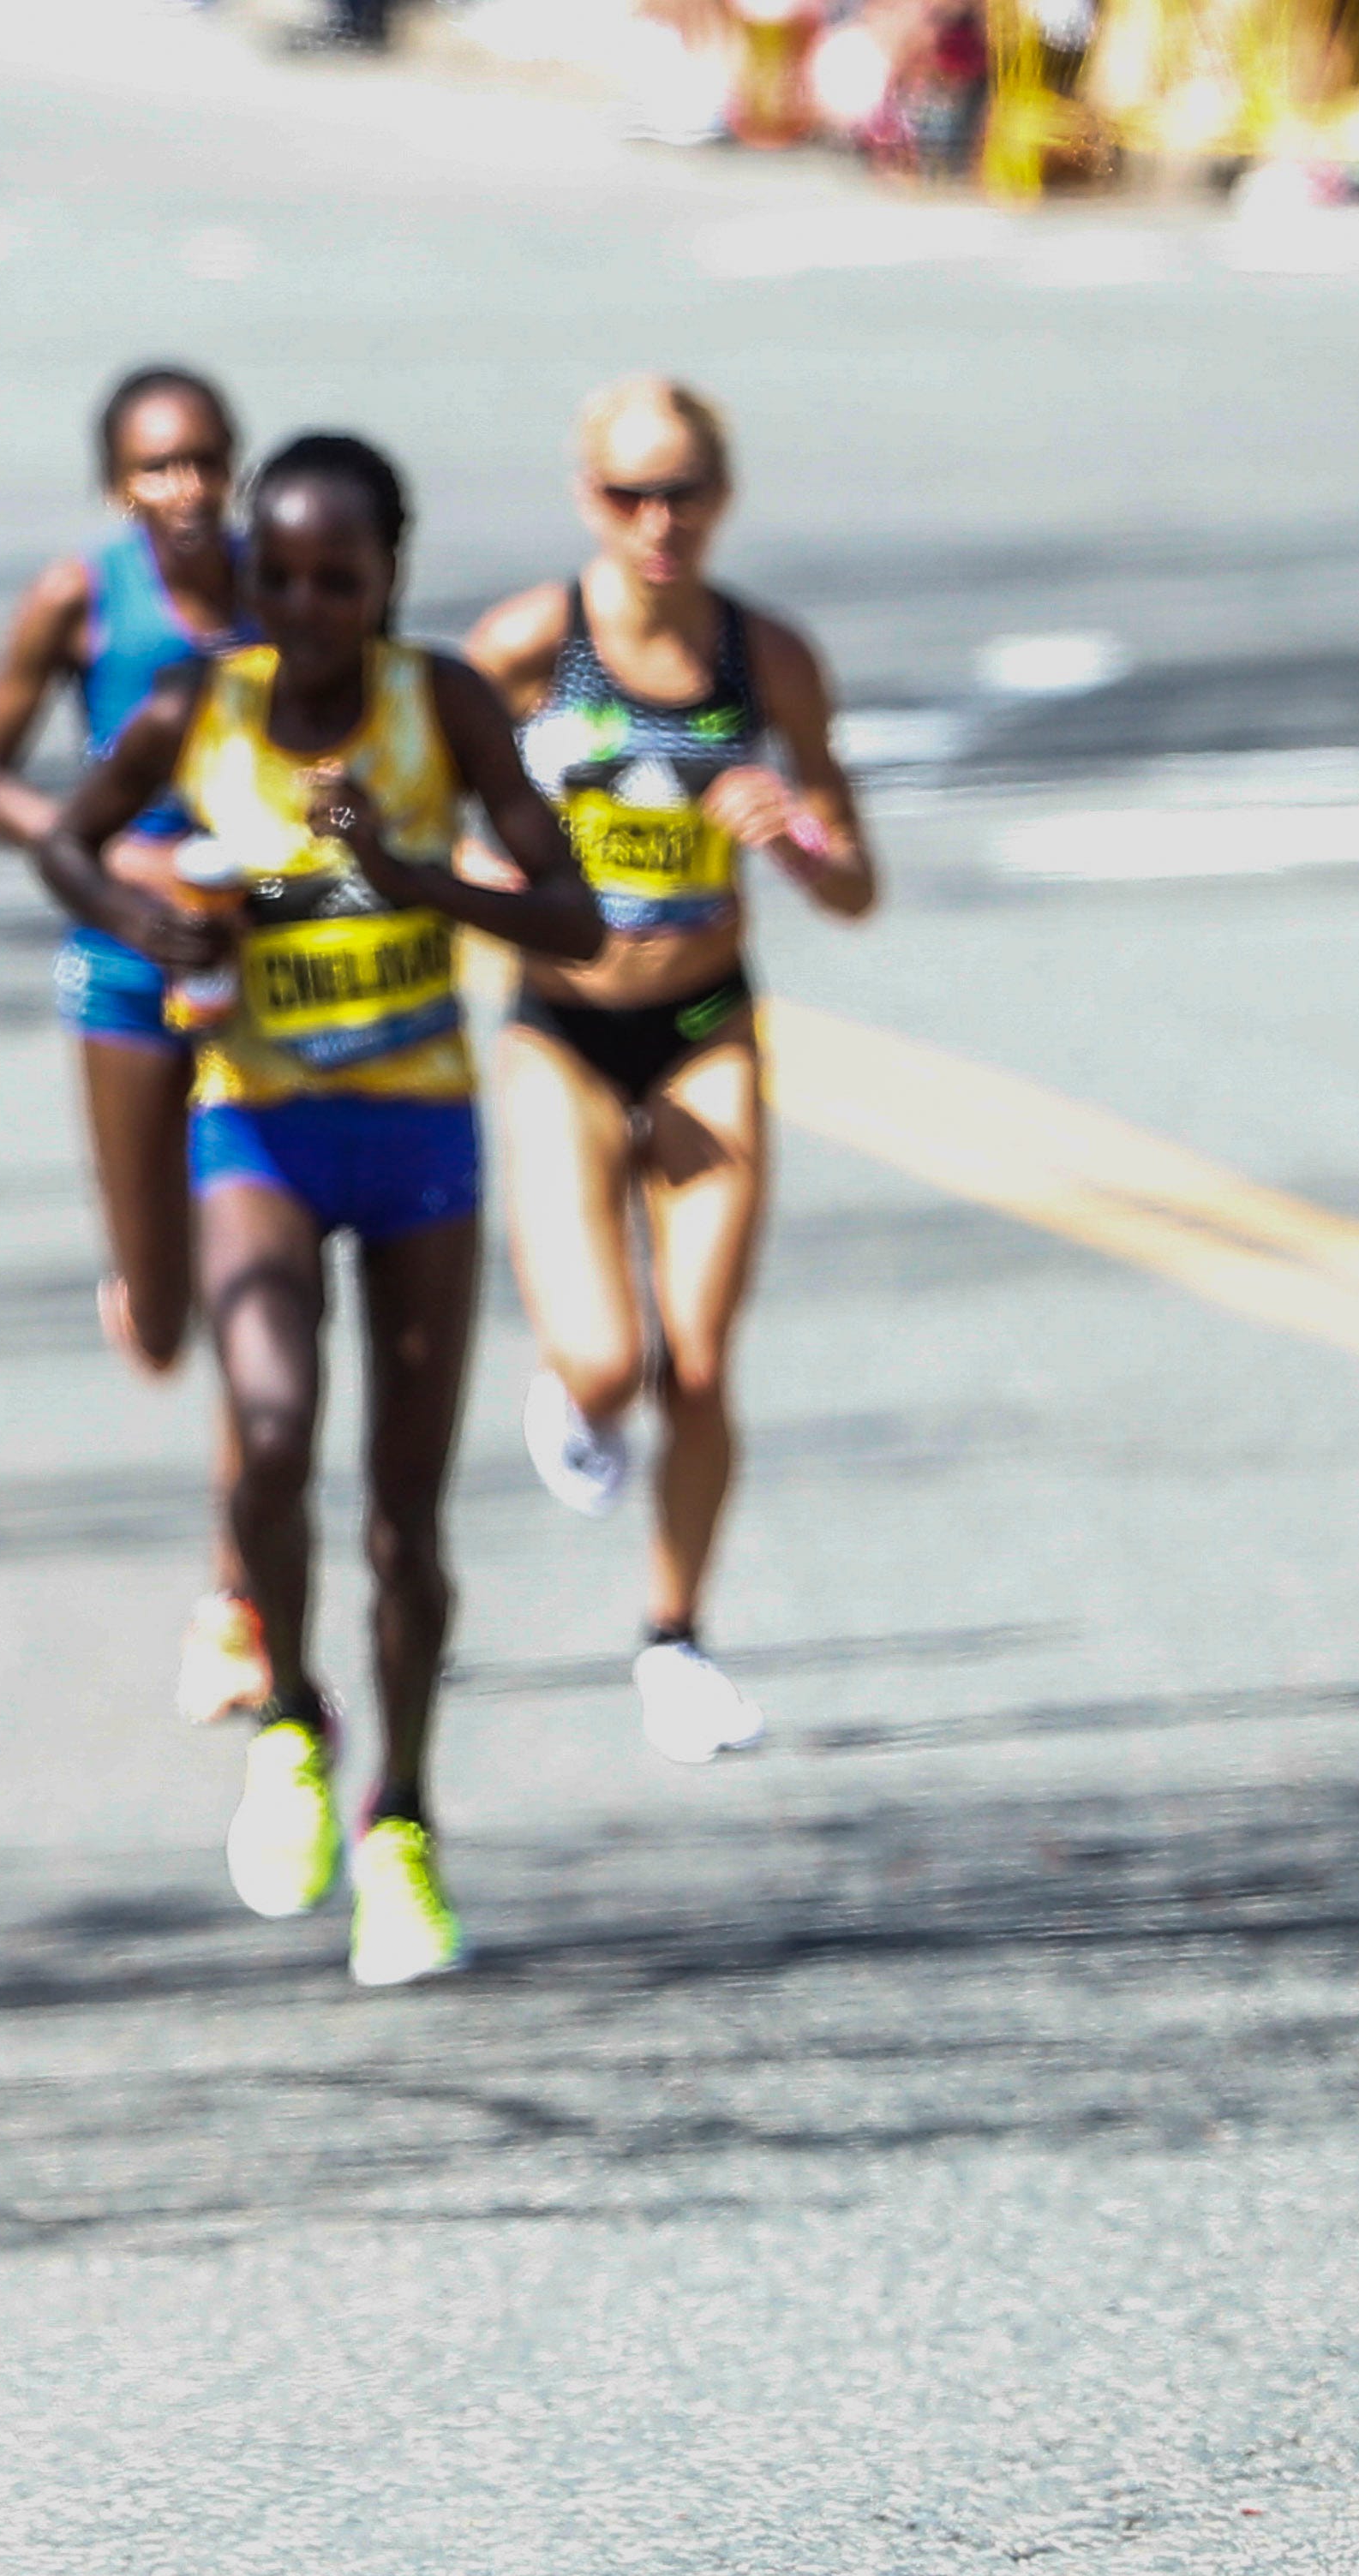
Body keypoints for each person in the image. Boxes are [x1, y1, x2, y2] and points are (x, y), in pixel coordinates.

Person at [37, 433, 600, 1986]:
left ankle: (403, 1822)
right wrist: (150, 919)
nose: (305, 603)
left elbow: (573, 914)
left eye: (337, 578)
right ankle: (292, 1717)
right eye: (279, 574)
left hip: (415, 1131)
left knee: (407, 1520)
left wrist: (428, 881)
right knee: (272, 1432)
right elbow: (70, 846)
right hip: (263, 1128)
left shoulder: (446, 707)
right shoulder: (195, 706)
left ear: (389, 578)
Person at [462, 377, 872, 1764]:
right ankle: (573, 1390)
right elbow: (417, 819)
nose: (659, 521)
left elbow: (858, 881)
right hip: (561, 1032)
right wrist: (491, 871)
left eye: (685, 491)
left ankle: (675, 1638)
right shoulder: (528, 646)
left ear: (722, 495)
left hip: (707, 1027)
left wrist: (799, 837)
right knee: (609, 1356)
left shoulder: (769, 658)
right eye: (632, 494)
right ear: (589, 498)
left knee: (698, 1364)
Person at [0, 363, 268, 1724]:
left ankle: (238, 1602)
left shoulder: (286, 578)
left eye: (203, 460)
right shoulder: (80, 596)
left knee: (260, 1297)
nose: (184, 489)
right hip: (122, 961)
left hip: (264, 971)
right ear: (117, 487)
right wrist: (97, 850)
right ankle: (142, 1293)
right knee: (162, 1321)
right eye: (157, 468)